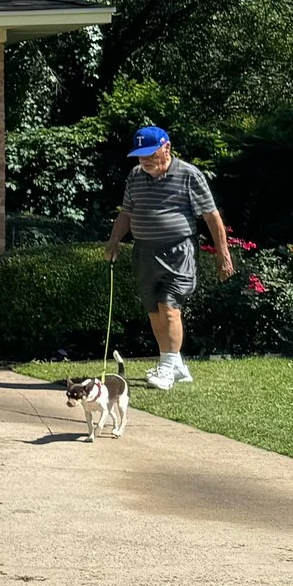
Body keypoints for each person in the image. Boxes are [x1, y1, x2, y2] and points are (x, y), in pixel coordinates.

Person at [102, 125, 234, 389]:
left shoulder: (188, 174)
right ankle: (176, 365)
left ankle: (166, 369)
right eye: (141, 155)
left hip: (179, 251)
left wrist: (224, 256)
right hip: (144, 252)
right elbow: (126, 214)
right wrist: (114, 241)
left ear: (167, 148)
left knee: (169, 305)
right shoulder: (136, 176)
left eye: (151, 154)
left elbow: (212, 216)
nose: (146, 160)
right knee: (154, 310)